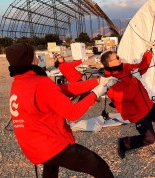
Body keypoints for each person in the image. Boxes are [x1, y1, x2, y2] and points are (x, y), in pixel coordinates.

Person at [6, 43, 117, 178]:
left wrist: (98, 82)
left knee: (51, 167)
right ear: (28, 61)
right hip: (52, 144)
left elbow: (64, 90)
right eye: (34, 57)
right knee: (98, 166)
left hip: (33, 146)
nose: (37, 60)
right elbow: (72, 112)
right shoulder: (41, 83)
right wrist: (95, 93)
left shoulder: (19, 83)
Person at [100, 50, 155, 159]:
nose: (120, 58)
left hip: (148, 105)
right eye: (117, 57)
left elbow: (140, 67)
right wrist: (134, 79)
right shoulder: (110, 82)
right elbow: (128, 95)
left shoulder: (124, 67)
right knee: (149, 139)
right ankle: (125, 143)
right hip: (138, 114)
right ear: (110, 64)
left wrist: (148, 53)